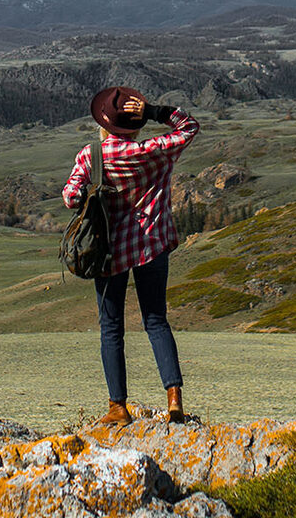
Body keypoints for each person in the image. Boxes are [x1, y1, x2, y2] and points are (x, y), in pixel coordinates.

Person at [63, 86, 199, 426]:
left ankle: (118, 407)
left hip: (108, 252)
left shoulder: (91, 156)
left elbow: (70, 197)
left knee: (111, 327)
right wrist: (155, 111)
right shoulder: (154, 151)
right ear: (135, 125)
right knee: (156, 320)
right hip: (152, 245)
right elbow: (189, 127)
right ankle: (174, 401)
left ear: (104, 124)